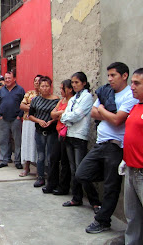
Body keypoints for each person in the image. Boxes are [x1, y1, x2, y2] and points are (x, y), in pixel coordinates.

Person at [75, 62, 138, 234]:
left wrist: (101, 109)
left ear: (124, 76)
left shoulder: (129, 96)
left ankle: (103, 220)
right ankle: (105, 189)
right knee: (82, 174)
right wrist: (106, 112)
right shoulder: (105, 91)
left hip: (115, 147)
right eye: (108, 75)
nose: (109, 79)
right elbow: (93, 113)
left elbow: (118, 120)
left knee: (111, 187)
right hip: (100, 144)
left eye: (113, 75)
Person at [60, 72, 101, 212]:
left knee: (81, 171)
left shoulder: (87, 97)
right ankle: (76, 198)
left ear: (84, 83)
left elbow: (77, 115)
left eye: (77, 82)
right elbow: (65, 115)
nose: (74, 85)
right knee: (73, 170)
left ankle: (95, 201)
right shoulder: (72, 98)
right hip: (70, 135)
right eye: (72, 83)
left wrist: (66, 117)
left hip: (80, 137)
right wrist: (66, 117)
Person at [121, 68, 143, 245]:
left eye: (137, 83)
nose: (132, 87)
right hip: (130, 168)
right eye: (132, 83)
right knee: (132, 216)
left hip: (142, 171)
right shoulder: (136, 107)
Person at [42, 79, 74, 194]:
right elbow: (52, 114)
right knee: (53, 158)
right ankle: (51, 184)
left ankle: (63, 187)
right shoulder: (61, 101)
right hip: (58, 133)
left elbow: (64, 115)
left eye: (62, 88)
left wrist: (59, 114)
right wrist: (60, 114)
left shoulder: (72, 101)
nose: (60, 91)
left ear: (69, 89)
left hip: (67, 134)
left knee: (65, 162)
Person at [29, 76, 59, 187]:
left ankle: (51, 179)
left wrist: (51, 121)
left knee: (50, 156)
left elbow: (59, 114)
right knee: (40, 156)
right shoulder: (35, 100)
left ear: (50, 87)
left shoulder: (56, 100)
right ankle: (40, 177)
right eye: (42, 86)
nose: (45, 88)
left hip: (52, 131)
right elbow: (30, 115)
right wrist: (39, 121)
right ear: (39, 87)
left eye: (47, 86)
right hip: (39, 131)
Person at [0, 70, 25, 169]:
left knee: (17, 141)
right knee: (3, 140)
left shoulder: (20, 90)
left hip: (16, 119)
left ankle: (17, 161)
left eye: (9, 78)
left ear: (14, 79)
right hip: (3, 119)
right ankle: (3, 160)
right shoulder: (1, 91)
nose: (7, 80)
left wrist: (19, 115)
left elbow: (24, 104)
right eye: (6, 78)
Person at [19, 74, 42, 177]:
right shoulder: (29, 93)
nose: (37, 82)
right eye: (35, 81)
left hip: (38, 122)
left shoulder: (44, 95)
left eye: (39, 81)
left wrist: (30, 106)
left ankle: (39, 169)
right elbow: (22, 106)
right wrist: (33, 107)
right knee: (27, 143)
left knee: (37, 145)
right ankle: (26, 167)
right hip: (27, 122)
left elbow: (42, 108)